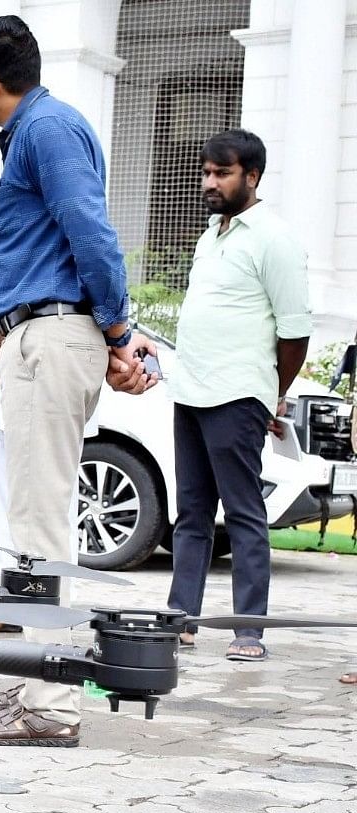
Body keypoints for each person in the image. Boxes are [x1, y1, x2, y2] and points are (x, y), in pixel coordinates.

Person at [0, 15, 157, 746]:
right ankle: (22, 679)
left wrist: (118, 331)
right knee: (21, 524)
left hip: (54, 330)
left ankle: (50, 703)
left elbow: (90, 230)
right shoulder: (35, 131)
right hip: (31, 334)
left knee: (38, 525)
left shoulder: (48, 130)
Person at [162, 130, 312, 662]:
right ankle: (180, 620)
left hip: (238, 396)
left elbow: (295, 331)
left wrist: (274, 394)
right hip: (192, 393)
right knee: (191, 513)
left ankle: (249, 629)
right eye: (205, 172)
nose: (210, 182)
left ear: (252, 176)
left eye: (221, 173)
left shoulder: (273, 238)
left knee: (244, 512)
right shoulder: (211, 235)